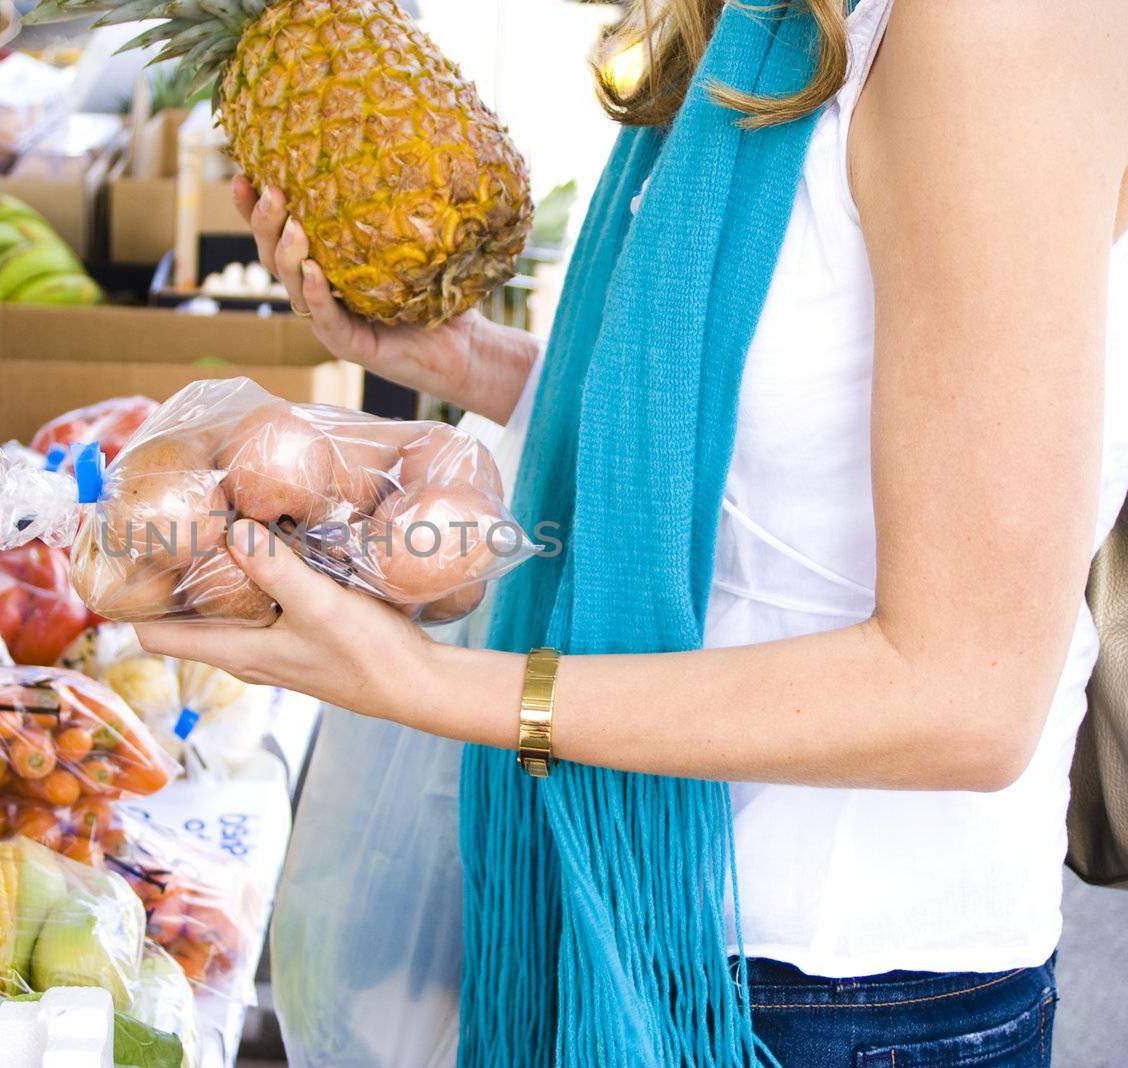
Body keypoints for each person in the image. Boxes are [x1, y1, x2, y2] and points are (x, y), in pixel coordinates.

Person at [137, 1, 1128, 1064]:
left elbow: (967, 697)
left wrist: (430, 686)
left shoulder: (1002, 27)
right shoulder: (765, 20)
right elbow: (755, 457)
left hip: (832, 1000)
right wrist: (469, 363)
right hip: (628, 927)